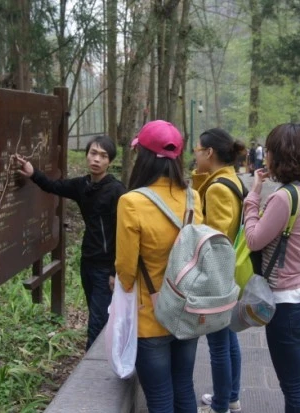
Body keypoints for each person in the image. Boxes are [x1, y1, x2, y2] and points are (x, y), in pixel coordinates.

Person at [116, 120, 203, 413]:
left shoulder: (131, 202)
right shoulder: (193, 197)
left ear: (143, 156)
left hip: (151, 315)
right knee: (184, 387)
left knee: (160, 397)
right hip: (187, 311)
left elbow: (126, 271)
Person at [243, 123, 300, 413]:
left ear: (278, 156)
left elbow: (254, 240)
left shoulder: (284, 197)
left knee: (293, 388)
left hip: (288, 304)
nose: (264, 156)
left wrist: (253, 195)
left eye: (268, 151)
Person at [13, 136, 126, 351]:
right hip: (87, 261)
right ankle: (108, 356)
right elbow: (54, 186)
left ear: (109, 162)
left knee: (98, 323)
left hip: (106, 267)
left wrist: (115, 270)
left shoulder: (117, 191)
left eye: (103, 156)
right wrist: (32, 172)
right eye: (93, 153)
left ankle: (92, 370)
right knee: (97, 314)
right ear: (86, 155)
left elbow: (124, 233)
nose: (96, 159)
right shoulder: (82, 185)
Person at [191, 128, 245, 413]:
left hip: (218, 276)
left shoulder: (218, 188)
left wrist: (204, 279)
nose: (194, 155)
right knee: (228, 338)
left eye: (197, 150)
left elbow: (217, 239)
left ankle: (222, 405)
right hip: (227, 275)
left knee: (219, 346)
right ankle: (231, 396)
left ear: (209, 153)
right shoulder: (227, 179)